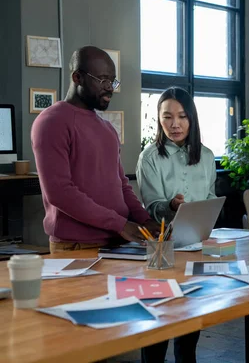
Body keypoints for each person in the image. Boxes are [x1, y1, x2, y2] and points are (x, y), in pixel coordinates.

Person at [31, 46, 160, 253]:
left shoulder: (108, 129)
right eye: (103, 80)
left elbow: (122, 186)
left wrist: (145, 220)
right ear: (77, 78)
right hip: (76, 246)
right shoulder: (51, 121)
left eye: (113, 81)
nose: (110, 87)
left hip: (120, 241)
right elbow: (60, 192)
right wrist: (120, 224)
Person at [136, 86, 217, 363]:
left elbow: (208, 199)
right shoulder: (150, 157)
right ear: (159, 120)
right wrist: (171, 206)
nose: (175, 124)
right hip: (162, 252)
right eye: (167, 117)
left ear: (191, 119)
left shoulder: (206, 156)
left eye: (182, 117)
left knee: (189, 334)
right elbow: (150, 209)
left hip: (196, 250)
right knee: (157, 331)